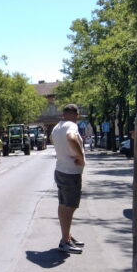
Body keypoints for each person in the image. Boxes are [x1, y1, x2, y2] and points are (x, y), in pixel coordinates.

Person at [51, 103, 86, 254]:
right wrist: (80, 157)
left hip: (60, 170)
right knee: (70, 207)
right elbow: (71, 138)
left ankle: (67, 236)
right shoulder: (71, 126)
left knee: (63, 205)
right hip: (71, 173)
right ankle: (65, 241)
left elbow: (57, 142)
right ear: (75, 115)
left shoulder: (57, 127)